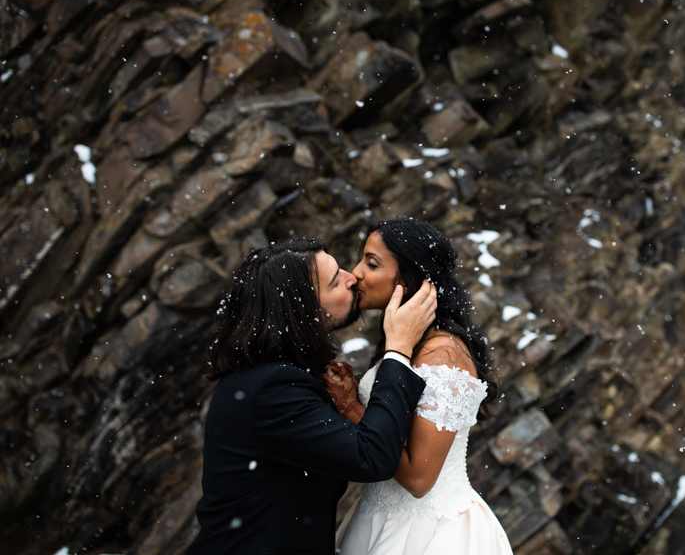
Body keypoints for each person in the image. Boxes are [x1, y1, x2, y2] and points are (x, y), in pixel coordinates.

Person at [185, 238, 437, 555]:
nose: (352, 277)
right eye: (335, 281)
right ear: (303, 310)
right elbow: (372, 458)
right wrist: (398, 350)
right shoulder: (273, 388)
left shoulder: (264, 374)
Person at [328, 218, 514, 555]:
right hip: (376, 518)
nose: (355, 273)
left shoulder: (444, 354)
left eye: (371, 263)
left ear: (409, 277)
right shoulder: (408, 342)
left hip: (429, 533)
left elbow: (418, 479)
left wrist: (350, 408)